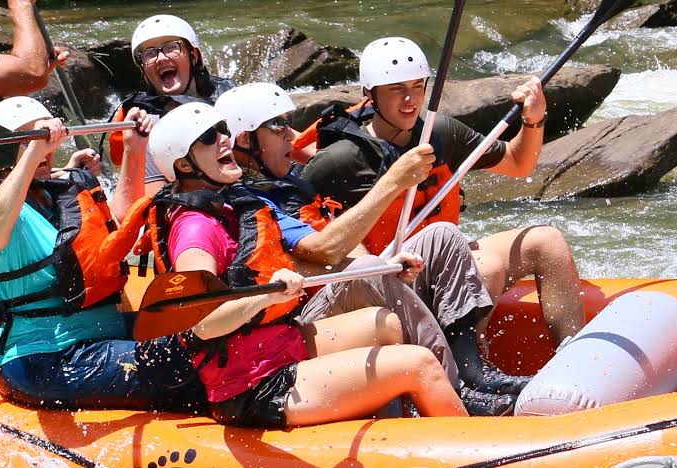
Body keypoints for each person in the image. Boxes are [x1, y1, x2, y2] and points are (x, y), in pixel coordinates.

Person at [142, 102, 467, 428]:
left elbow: (278, 265)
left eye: (222, 130)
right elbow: (202, 324)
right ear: (183, 164)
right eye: (209, 137)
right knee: (418, 363)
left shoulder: (231, 204)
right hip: (251, 384)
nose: (224, 139)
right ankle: (464, 435)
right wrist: (265, 296)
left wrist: (380, 268)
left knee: (385, 324)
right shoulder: (195, 229)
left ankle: (397, 433)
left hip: (279, 343)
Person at [216, 82, 517, 414]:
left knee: (442, 235)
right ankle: (455, 388)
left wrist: (388, 263)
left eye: (288, 123)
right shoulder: (247, 202)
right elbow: (323, 250)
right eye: (277, 126)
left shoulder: (290, 182)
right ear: (245, 140)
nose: (291, 136)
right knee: (364, 270)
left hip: (333, 296)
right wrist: (393, 182)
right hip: (298, 323)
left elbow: (338, 239)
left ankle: (474, 372)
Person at [301, 36, 586, 354]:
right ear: (370, 93)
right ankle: (469, 363)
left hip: (446, 261)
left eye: (417, 86)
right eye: (396, 89)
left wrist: (534, 121)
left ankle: (573, 353)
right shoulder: (339, 160)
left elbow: (518, 163)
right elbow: (316, 246)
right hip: (388, 279)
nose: (410, 99)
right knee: (486, 267)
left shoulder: (440, 133)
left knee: (547, 241)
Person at [0, 97, 204, 411]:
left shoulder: (56, 192)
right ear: (4, 149)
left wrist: (134, 149)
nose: (44, 148)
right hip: (46, 358)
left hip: (103, 332)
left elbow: (120, 222)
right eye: (30, 139)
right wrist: (32, 153)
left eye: (45, 138)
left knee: (207, 335)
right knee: (187, 366)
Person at [107, 14, 236, 191]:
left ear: (194, 55)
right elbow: (150, 198)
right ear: (143, 70)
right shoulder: (144, 126)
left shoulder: (229, 100)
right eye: (149, 53)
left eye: (172, 47)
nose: (160, 58)